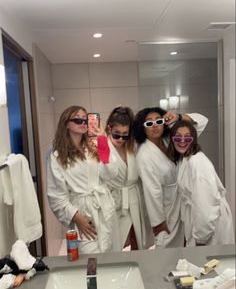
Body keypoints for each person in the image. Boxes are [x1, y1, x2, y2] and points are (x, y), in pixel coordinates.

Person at [46, 105, 120, 254]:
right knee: (90, 261)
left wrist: (103, 142)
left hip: (105, 210)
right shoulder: (57, 157)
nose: (83, 123)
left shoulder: (93, 148)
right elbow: (56, 197)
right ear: (66, 124)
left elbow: (111, 174)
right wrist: (77, 217)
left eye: (85, 120)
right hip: (83, 214)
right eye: (77, 120)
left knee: (111, 256)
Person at [133, 107, 208, 247]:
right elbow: (152, 191)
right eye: (149, 123)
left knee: (181, 248)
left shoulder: (171, 140)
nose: (155, 125)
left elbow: (202, 122)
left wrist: (179, 117)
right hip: (165, 210)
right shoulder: (144, 155)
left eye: (158, 121)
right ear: (142, 128)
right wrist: (158, 223)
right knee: (164, 248)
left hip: (182, 203)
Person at [167, 120, 235, 246]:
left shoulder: (197, 163)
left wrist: (201, 238)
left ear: (193, 139)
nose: (182, 141)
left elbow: (205, 204)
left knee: (210, 262)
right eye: (178, 137)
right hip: (200, 220)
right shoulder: (185, 158)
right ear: (172, 139)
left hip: (209, 223)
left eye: (187, 138)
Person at [95, 106, 153, 250]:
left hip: (135, 198)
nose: (121, 139)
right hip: (114, 200)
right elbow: (105, 174)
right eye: (116, 134)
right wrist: (102, 143)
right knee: (114, 244)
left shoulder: (133, 146)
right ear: (109, 129)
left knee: (138, 241)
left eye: (125, 135)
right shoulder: (102, 145)